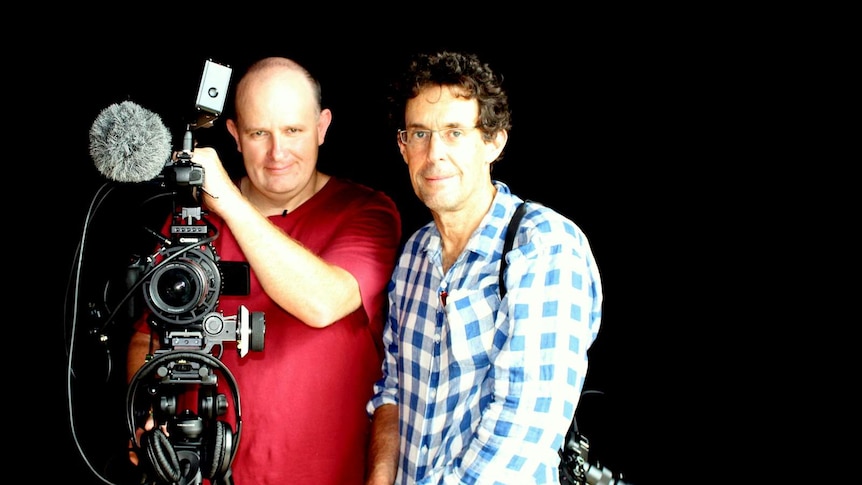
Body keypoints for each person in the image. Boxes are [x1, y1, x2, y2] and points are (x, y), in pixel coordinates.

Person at [126, 56, 402, 484]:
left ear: (322, 127)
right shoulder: (191, 222)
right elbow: (149, 334)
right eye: (259, 133)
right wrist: (144, 417)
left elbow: (323, 301)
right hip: (208, 473)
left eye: (293, 130)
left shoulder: (367, 211)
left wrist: (229, 203)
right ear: (234, 135)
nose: (278, 153)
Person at [365, 51, 604, 485]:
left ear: (494, 141)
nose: (433, 153)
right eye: (419, 133)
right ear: (403, 147)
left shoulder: (544, 246)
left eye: (455, 132)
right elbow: (394, 392)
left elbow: (523, 430)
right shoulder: (415, 255)